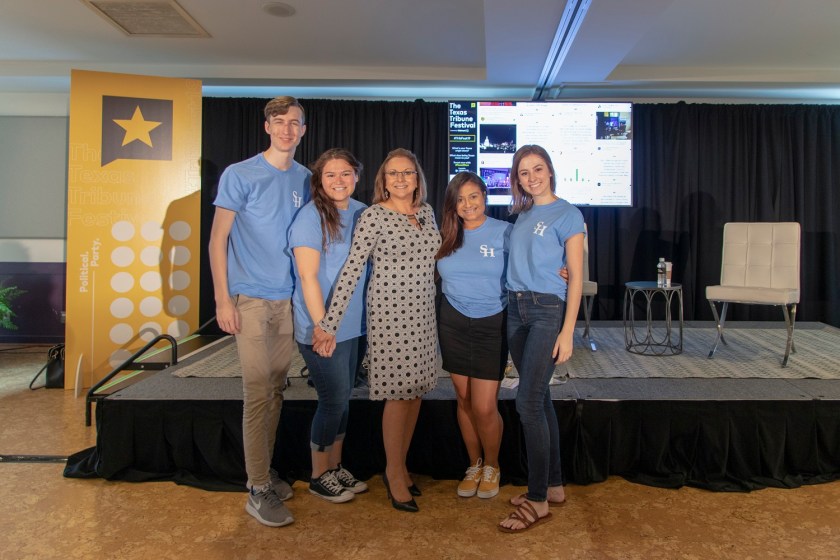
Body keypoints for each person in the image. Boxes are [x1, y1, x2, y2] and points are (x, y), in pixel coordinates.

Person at [314, 148, 441, 513]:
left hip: (423, 316)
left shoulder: (427, 213)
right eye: (392, 174)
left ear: (418, 178)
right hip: (391, 317)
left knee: (416, 392)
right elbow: (352, 270)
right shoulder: (373, 216)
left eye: (407, 172)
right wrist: (329, 324)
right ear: (383, 181)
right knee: (398, 395)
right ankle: (394, 471)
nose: (400, 179)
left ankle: (400, 464)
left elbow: (438, 258)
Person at [208, 96, 309, 528]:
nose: (287, 129)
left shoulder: (306, 177)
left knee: (276, 388)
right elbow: (217, 241)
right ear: (267, 126)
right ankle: (257, 489)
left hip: (287, 299)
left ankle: (266, 473)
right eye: (280, 122)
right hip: (248, 298)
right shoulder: (240, 174)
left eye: (295, 123)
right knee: (256, 391)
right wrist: (222, 299)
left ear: (303, 130)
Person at [498, 145, 584, 533]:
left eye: (538, 169)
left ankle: (537, 501)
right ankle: (553, 485)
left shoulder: (568, 213)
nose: (531, 177)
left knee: (527, 402)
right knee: (541, 396)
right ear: (517, 179)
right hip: (516, 309)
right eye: (523, 172)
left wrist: (568, 331)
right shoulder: (522, 214)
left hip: (547, 310)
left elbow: (577, 276)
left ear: (550, 171)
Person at [289, 148, 369, 503]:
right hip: (322, 327)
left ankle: (336, 468)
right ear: (319, 181)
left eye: (346, 173)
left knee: (345, 400)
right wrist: (324, 326)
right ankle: (319, 474)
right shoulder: (310, 217)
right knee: (332, 400)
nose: (339, 181)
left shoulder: (364, 212)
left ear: (356, 176)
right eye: (331, 175)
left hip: (354, 326)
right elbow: (308, 277)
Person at [435, 172, 511, 500]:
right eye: (460, 199)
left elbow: (533, 265)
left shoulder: (506, 233)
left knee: (483, 405)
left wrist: (563, 270)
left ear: (484, 196)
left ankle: (493, 465)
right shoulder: (445, 235)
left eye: (473, 197)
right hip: (452, 321)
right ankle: (474, 464)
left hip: (492, 324)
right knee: (463, 400)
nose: (468, 205)